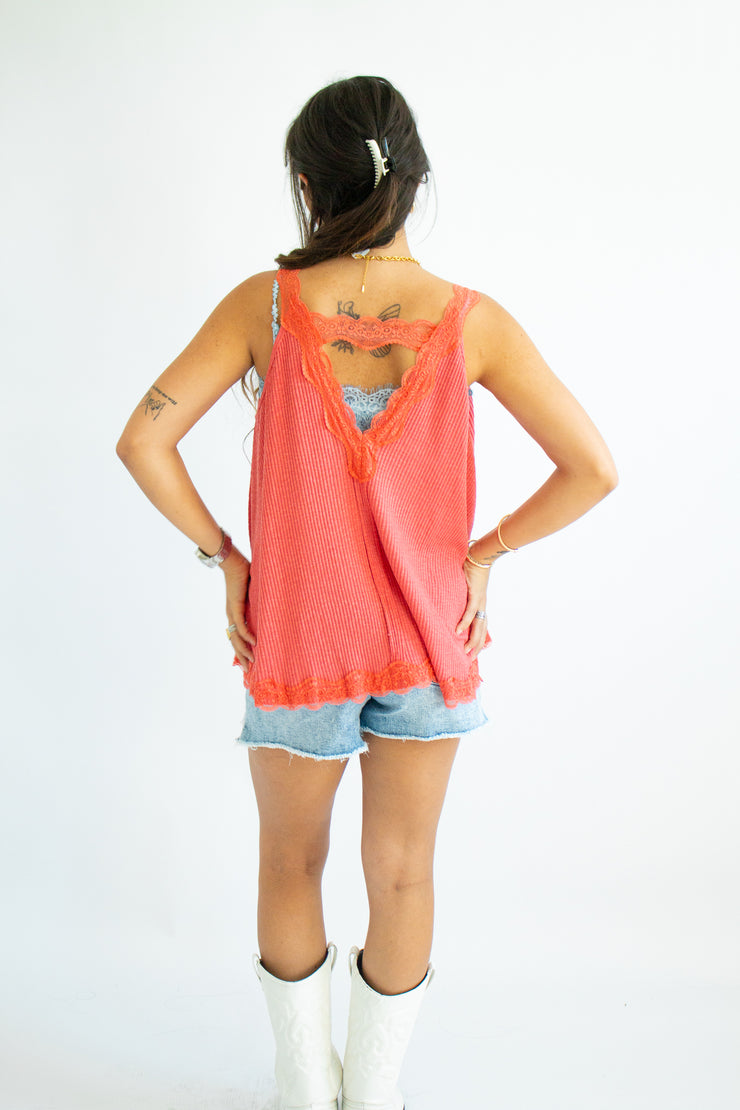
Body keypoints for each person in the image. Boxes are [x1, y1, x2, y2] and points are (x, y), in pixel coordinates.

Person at [117, 75, 618, 1110]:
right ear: (414, 179)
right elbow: (593, 468)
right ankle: (374, 1097)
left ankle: (308, 1093)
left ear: (308, 185)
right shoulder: (471, 320)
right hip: (431, 642)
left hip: (297, 642)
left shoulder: (264, 306)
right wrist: (482, 555)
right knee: (401, 872)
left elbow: (144, 439)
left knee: (288, 864)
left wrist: (228, 558)